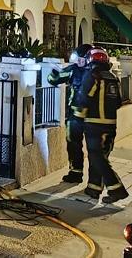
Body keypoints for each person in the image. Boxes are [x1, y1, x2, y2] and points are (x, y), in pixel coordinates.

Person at [72, 47, 128, 204]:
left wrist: (78, 119)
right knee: (100, 157)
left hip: (95, 126)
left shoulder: (92, 76)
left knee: (97, 158)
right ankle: (94, 189)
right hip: (111, 126)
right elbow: (118, 102)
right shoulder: (113, 78)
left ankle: (117, 189)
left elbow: (84, 98)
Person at [48, 43, 93, 183]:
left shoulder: (86, 71)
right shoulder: (77, 70)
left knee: (84, 146)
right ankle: (81, 175)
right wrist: (55, 73)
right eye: (78, 58)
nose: (78, 61)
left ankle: (86, 176)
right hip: (84, 117)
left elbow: (53, 80)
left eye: (80, 58)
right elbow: (54, 80)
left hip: (85, 117)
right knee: (79, 146)